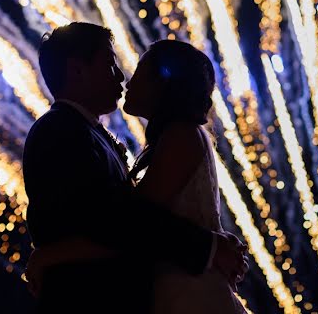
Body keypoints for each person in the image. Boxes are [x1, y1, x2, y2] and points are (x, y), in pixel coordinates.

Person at [22, 24, 248, 313]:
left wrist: (47, 256)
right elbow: (120, 223)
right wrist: (209, 247)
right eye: (110, 63)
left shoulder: (91, 132)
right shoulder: (60, 131)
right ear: (77, 70)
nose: (122, 77)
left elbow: (125, 221)